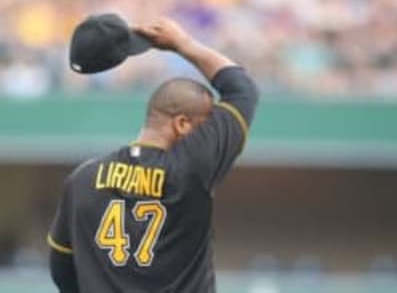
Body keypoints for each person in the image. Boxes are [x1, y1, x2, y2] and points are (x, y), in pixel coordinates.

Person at [47, 17, 259, 293]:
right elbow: (242, 90)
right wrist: (182, 44)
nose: (210, 132)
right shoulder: (192, 167)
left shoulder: (82, 179)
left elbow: (62, 271)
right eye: (207, 123)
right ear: (182, 124)